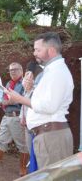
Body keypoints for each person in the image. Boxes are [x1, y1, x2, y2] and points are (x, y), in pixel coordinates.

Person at [6, 32, 74, 170]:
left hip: (52, 137)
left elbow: (49, 106)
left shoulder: (57, 72)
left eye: (38, 50)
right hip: (46, 135)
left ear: (51, 50)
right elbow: (43, 99)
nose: (34, 53)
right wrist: (30, 89)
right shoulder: (50, 72)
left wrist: (19, 99)